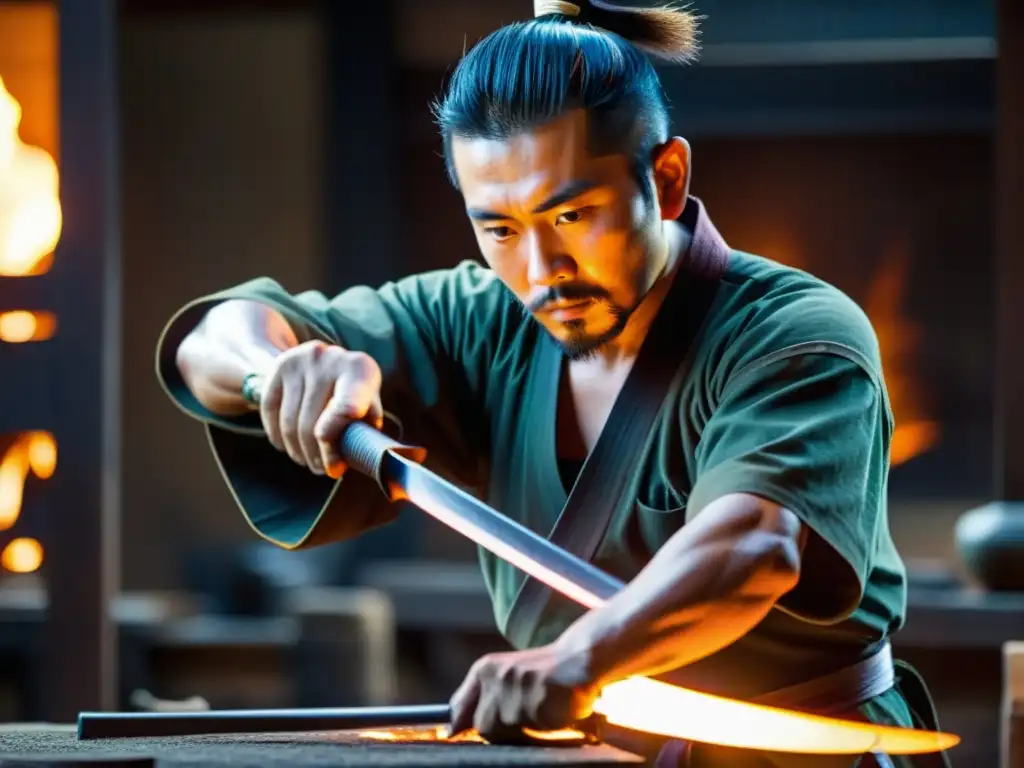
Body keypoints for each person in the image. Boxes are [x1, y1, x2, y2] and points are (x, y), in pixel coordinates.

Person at [155, 1, 952, 766]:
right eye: (498, 228)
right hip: (586, 754)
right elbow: (208, 341)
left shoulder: (796, 332)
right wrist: (278, 371)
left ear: (666, 179)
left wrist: (578, 659)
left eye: (572, 216)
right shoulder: (477, 321)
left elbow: (753, 545)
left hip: (800, 760)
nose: (540, 273)